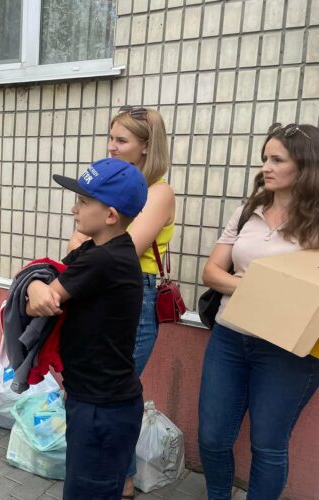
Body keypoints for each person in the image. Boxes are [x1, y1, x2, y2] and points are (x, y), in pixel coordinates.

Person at [198, 123, 319, 500]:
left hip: (287, 349)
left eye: (277, 159)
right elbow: (211, 271)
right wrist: (260, 290)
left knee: (268, 445)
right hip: (229, 337)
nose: (265, 167)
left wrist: (259, 290)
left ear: (306, 166)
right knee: (213, 436)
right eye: (265, 158)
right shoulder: (247, 211)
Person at [67, 105, 174, 498]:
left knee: (110, 393)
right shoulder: (110, 191)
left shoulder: (158, 193)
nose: (111, 147)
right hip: (95, 288)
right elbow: (77, 246)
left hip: (133, 296)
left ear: (146, 147)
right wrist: (84, 243)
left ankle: (117, 481)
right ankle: (105, 474)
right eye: (110, 137)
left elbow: (124, 248)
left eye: (122, 140)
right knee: (86, 386)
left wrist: (84, 244)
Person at [27, 157, 148, 499]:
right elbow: (57, 276)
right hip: (101, 401)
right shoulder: (104, 250)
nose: (73, 209)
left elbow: (40, 300)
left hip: (101, 409)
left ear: (110, 215)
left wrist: (33, 285)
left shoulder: (104, 259)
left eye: (82, 201)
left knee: (86, 493)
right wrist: (39, 283)